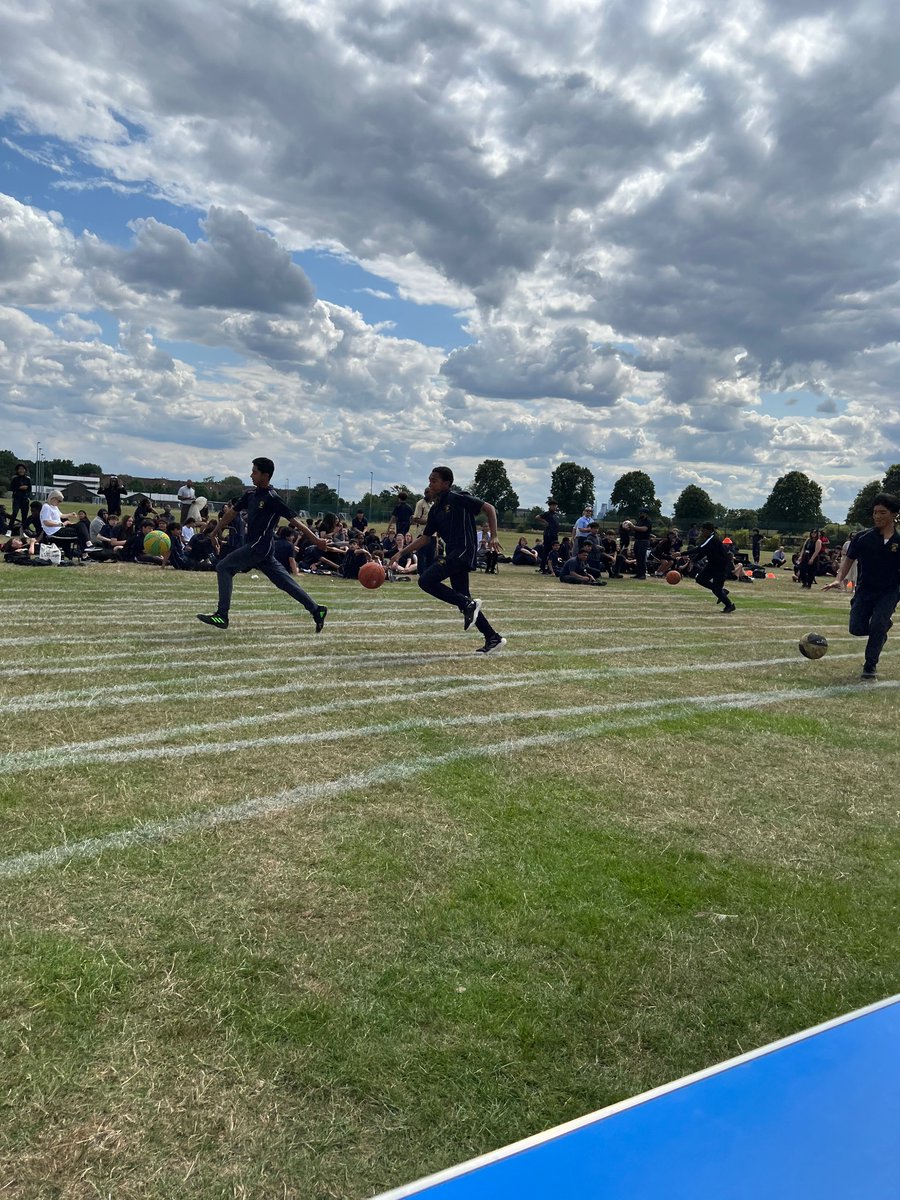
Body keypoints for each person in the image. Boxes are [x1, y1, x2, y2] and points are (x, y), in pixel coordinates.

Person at [197, 457, 329, 632]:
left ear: (265, 476)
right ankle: (316, 610)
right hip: (260, 548)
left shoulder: (272, 498)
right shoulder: (250, 494)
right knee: (284, 582)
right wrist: (214, 531)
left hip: (259, 547)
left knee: (223, 567)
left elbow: (295, 521)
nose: (251, 475)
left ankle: (222, 615)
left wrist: (316, 540)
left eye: (255, 472)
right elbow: (232, 513)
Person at [389, 465, 505, 654]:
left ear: (446, 483)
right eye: (429, 480)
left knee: (426, 580)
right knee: (463, 597)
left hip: (464, 551)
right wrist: (401, 553)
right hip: (453, 553)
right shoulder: (435, 510)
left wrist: (494, 535)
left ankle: (469, 606)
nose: (430, 484)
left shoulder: (458, 498)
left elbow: (489, 508)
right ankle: (493, 637)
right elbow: (425, 538)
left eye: (434, 481)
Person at [823, 493, 900, 681]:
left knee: (878, 623)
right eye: (875, 512)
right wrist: (838, 579)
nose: (877, 516)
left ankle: (870, 666)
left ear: (894, 514)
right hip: (865, 589)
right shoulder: (862, 538)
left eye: (882, 512)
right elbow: (848, 560)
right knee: (856, 628)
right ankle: (881, 631)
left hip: (890, 590)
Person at [690, 522, 736, 612]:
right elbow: (703, 552)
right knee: (700, 579)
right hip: (712, 565)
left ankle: (729, 605)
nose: (702, 532)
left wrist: (681, 553)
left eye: (703, 530)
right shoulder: (709, 539)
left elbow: (699, 549)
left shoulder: (713, 539)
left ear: (708, 530)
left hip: (720, 567)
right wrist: (693, 560)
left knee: (716, 590)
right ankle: (723, 591)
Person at [536, 498, 561, 573]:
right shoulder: (547, 513)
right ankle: (542, 567)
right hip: (548, 535)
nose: (554, 507)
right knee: (546, 550)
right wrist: (545, 522)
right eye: (553, 505)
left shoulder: (556, 515)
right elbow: (537, 517)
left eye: (555, 506)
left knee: (554, 551)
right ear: (549, 506)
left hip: (555, 535)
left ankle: (552, 567)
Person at [629, 509, 653, 580]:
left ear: (645, 514)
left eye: (641, 513)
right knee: (637, 558)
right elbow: (635, 529)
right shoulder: (639, 521)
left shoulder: (648, 521)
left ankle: (642, 574)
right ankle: (638, 573)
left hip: (643, 541)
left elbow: (644, 529)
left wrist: (633, 527)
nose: (640, 514)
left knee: (642, 558)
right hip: (637, 540)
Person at [9, 464, 32, 531]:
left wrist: (27, 496)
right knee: (14, 513)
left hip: (25, 499)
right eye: (19, 469)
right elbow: (11, 488)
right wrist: (19, 487)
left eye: (22, 469)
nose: (21, 470)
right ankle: (9, 529)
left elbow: (29, 489)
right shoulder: (15, 478)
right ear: (17, 470)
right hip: (17, 499)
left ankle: (24, 530)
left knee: (24, 515)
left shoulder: (28, 479)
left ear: (25, 470)